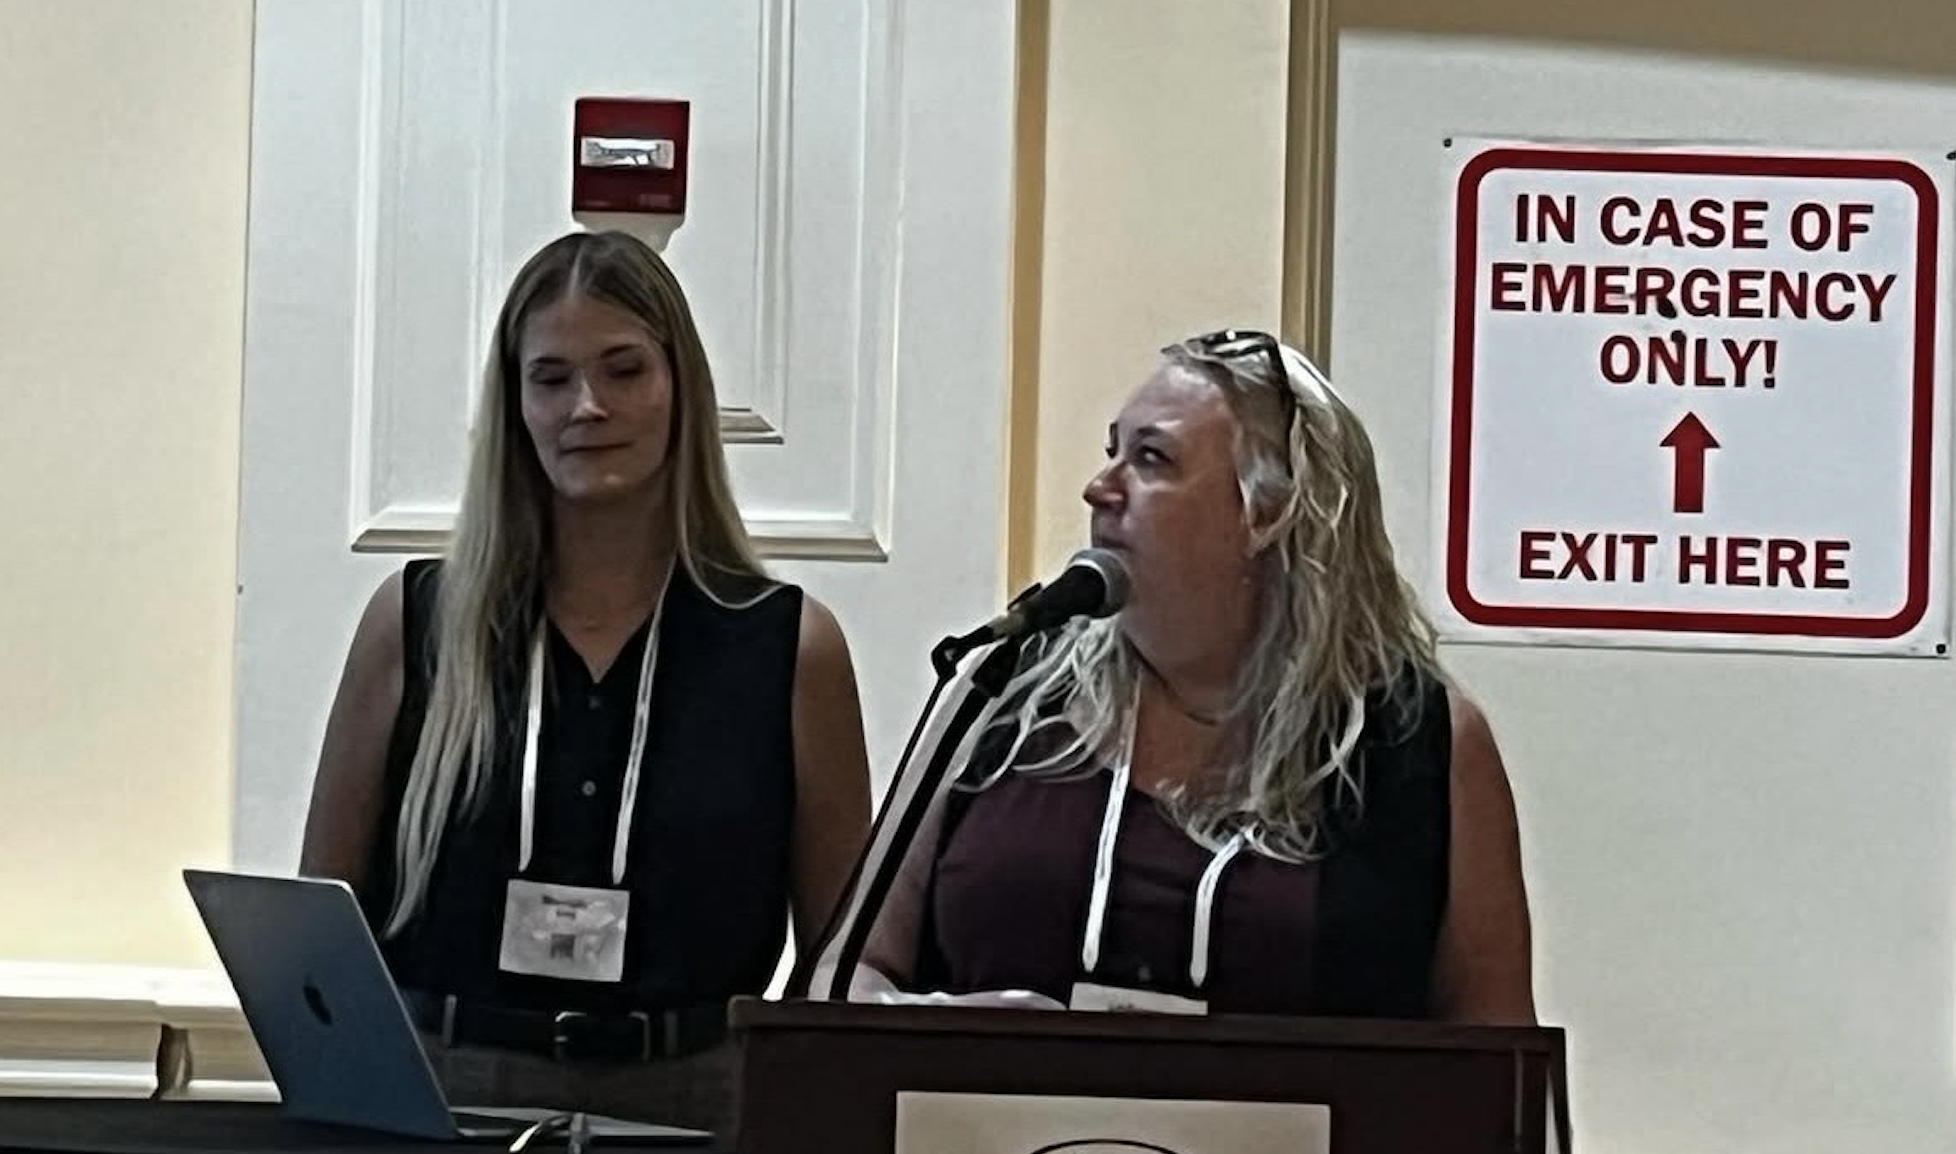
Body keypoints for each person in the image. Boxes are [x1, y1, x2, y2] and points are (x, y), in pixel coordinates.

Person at [299, 230, 872, 1136]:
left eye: (624, 370)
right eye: (551, 377)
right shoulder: (416, 622)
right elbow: (321, 930)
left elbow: (842, 959)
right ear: (515, 404)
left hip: (696, 1101)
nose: (588, 406)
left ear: (681, 389)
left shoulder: (790, 648)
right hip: (447, 1093)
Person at [851, 328, 1535, 1024]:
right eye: (1111, 451)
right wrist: (936, 1027)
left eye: (1150, 459)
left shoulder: (1420, 743)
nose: (1098, 488)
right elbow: (843, 975)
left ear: (1264, 513)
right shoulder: (1001, 690)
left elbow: (1503, 1082)